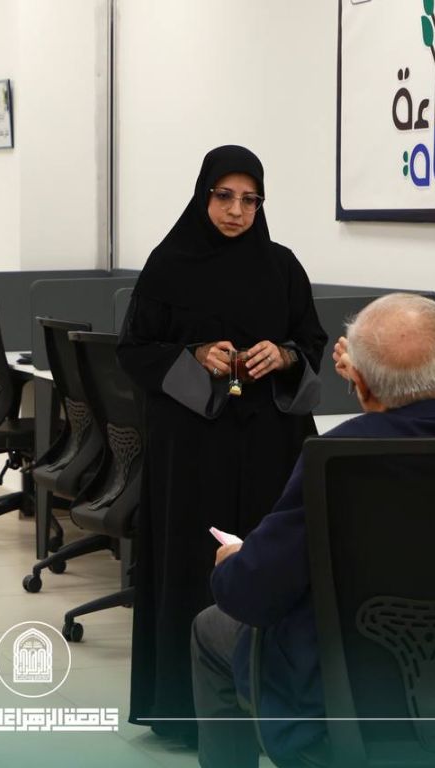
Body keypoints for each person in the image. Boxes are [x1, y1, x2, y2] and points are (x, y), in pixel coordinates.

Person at [190, 293, 435, 767]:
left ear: (359, 381)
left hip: (341, 690)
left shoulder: (336, 456)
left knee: (210, 626)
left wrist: (232, 564)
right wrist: (369, 381)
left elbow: (251, 596)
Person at [117, 144, 327, 741]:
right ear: (203, 195)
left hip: (270, 446)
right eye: (225, 197)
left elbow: (311, 343)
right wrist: (195, 355)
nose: (237, 211)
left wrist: (283, 355)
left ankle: (276, 709)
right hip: (193, 449)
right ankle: (186, 711)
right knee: (192, 566)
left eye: (250, 200)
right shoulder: (167, 265)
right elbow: (133, 351)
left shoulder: (282, 267)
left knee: (268, 564)